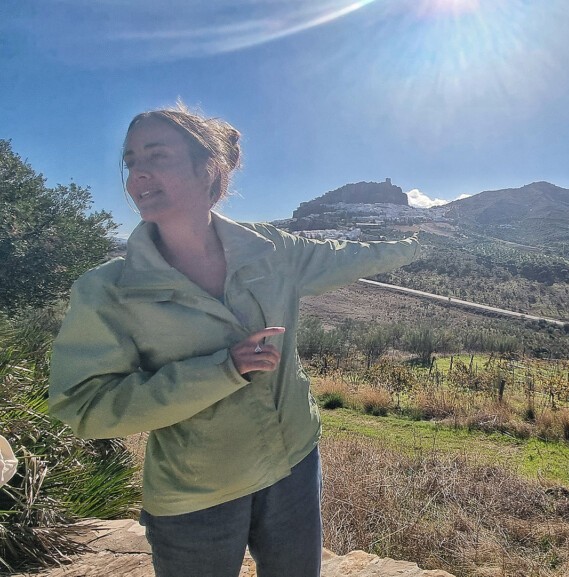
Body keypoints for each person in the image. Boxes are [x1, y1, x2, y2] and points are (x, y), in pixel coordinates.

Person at [48, 103, 419, 577]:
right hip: (196, 491)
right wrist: (221, 371)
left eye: (156, 156)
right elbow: (85, 405)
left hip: (294, 461)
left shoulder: (271, 249)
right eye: (131, 160)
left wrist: (417, 245)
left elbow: (344, 256)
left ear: (210, 169)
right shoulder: (107, 291)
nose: (138, 173)